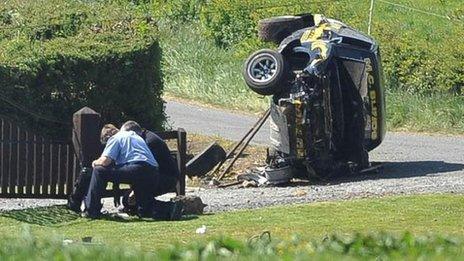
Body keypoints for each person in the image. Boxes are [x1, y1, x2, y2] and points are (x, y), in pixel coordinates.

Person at [83, 123, 160, 219]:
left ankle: (91, 210)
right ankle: (170, 208)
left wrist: (94, 163)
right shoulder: (135, 136)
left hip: (135, 167)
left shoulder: (115, 138)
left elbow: (105, 161)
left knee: (99, 171)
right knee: (145, 209)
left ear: (107, 136)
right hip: (152, 171)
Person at [119, 121, 181, 218]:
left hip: (166, 177)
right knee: (127, 200)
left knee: (141, 201)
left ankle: (170, 208)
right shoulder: (144, 138)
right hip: (154, 176)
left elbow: (147, 170)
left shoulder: (149, 142)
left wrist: (135, 190)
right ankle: (149, 210)